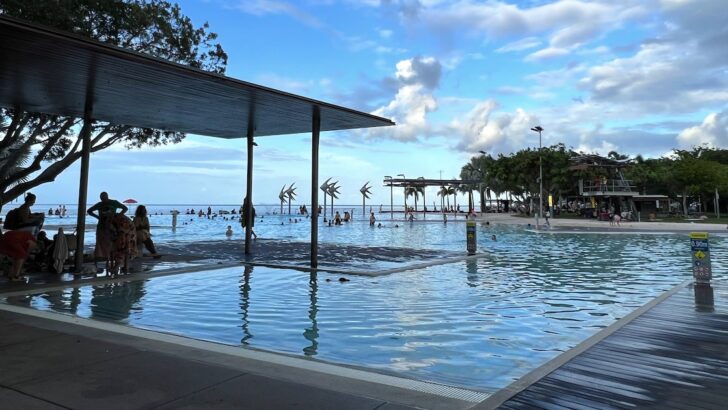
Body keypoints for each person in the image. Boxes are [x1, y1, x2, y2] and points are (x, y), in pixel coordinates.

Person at [87, 192, 128, 270]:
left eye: (104, 198)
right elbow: (89, 211)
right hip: (102, 226)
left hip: (112, 225)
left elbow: (125, 208)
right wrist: (98, 217)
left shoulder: (114, 202)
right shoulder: (99, 204)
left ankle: (114, 261)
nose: (103, 200)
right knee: (100, 244)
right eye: (102, 198)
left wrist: (119, 215)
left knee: (113, 244)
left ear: (107, 197)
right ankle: (102, 262)